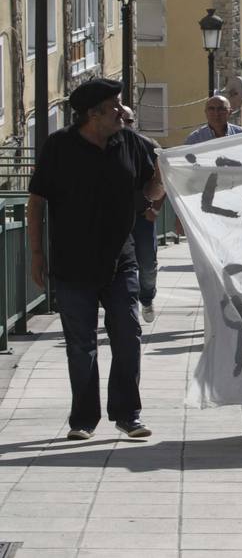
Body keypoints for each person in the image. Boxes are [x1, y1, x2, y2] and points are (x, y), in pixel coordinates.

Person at [27, 79, 164, 440]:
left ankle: (127, 415)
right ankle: (83, 420)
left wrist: (155, 189)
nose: (122, 111)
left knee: (128, 336)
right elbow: (36, 201)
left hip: (122, 261)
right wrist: (37, 254)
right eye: (115, 106)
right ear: (93, 114)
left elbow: (153, 183)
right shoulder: (59, 147)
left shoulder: (129, 142)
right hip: (73, 265)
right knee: (81, 344)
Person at [122, 106, 165, 324]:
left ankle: (146, 298)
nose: (123, 125)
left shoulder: (148, 146)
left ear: (134, 122)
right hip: (113, 219)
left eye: (127, 121)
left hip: (141, 215)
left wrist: (155, 209)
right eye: (119, 119)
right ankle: (122, 308)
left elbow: (164, 179)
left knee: (147, 263)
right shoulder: (99, 145)